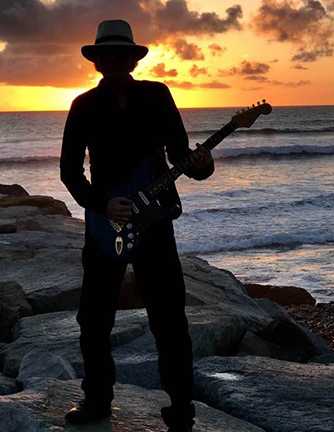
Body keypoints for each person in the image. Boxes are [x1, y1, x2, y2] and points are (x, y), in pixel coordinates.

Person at [59, 19, 214, 432]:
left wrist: (203, 164)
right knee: (93, 319)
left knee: (169, 318)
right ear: (98, 62)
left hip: (156, 221)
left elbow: (184, 156)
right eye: (106, 55)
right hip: (104, 225)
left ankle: (182, 410)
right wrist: (103, 204)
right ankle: (97, 401)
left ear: (132, 58)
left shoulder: (158, 96)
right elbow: (70, 173)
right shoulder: (83, 106)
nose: (115, 61)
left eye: (121, 54)